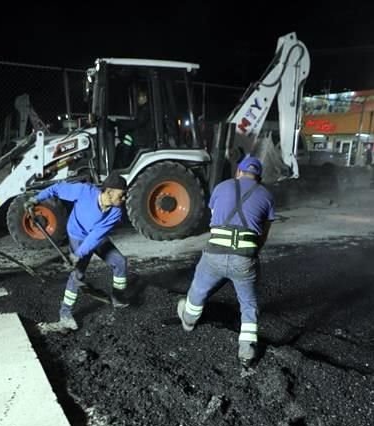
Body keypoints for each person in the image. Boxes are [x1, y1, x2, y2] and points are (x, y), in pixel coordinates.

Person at [176, 155, 276, 367]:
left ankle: (189, 320)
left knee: (198, 289)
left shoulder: (222, 187)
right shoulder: (266, 195)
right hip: (244, 259)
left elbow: (215, 217)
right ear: (259, 177)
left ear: (238, 172)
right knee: (248, 304)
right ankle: (247, 352)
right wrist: (250, 254)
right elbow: (263, 234)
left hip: (214, 255)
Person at [29, 172, 129, 330]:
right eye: (122, 195)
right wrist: (36, 199)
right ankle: (65, 314)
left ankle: (117, 297)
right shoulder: (84, 192)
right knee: (78, 274)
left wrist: (78, 255)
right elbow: (57, 188)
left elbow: (96, 236)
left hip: (96, 236)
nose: (124, 199)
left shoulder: (116, 212)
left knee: (120, 262)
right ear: (109, 192)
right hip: (77, 235)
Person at [115, 86, 154, 168]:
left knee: (127, 139)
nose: (138, 99)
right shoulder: (144, 109)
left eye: (139, 97)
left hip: (145, 137)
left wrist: (121, 124)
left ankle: (124, 164)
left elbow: (138, 123)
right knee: (126, 138)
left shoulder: (146, 109)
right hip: (143, 134)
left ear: (145, 98)